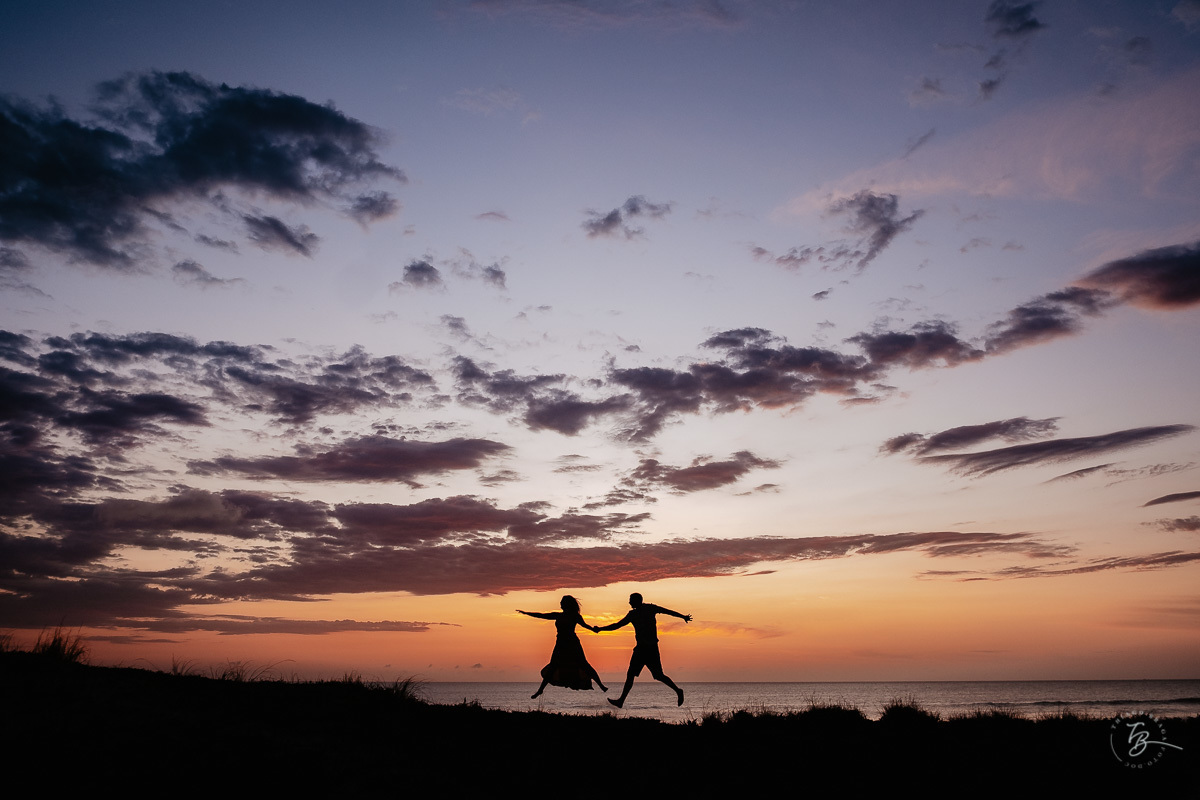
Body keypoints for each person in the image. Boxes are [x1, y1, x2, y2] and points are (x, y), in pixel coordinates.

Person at [594, 592, 691, 708]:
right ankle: (621, 701)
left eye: (631, 600)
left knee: (658, 675)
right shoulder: (633, 614)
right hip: (641, 649)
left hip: (650, 649)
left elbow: (668, 611)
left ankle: (678, 690)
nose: (629, 602)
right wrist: (601, 629)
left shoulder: (650, 608)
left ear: (636, 600)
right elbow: (617, 625)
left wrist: (683, 617)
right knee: (633, 675)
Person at [517, 595, 608, 699]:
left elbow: (585, 625)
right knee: (553, 666)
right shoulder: (558, 615)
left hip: (573, 643)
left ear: (566, 604)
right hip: (560, 643)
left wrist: (595, 629)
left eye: (562, 602)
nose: (560, 604)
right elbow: (542, 615)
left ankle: (601, 685)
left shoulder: (575, 616)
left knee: (584, 664)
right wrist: (526, 613)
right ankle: (540, 690)